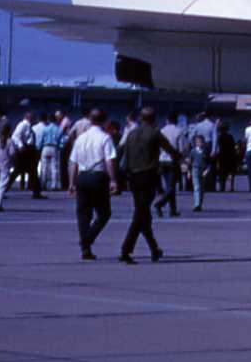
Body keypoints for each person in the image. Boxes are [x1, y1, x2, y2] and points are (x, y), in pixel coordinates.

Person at [119, 107, 182, 263]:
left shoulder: (131, 134)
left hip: (133, 177)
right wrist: (181, 158)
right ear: (153, 119)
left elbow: (124, 155)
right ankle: (125, 250)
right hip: (148, 176)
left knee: (143, 214)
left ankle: (154, 249)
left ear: (140, 118)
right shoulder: (155, 133)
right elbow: (170, 150)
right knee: (140, 214)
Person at [68, 109, 119, 259]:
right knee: (104, 213)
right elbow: (110, 160)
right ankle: (87, 240)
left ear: (90, 120)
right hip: (98, 177)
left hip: (82, 177)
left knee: (83, 214)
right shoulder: (105, 138)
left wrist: (71, 182)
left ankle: (86, 249)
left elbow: (72, 162)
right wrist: (114, 179)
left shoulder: (80, 138)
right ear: (104, 121)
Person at [188, 110, 218, 212]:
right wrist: (214, 149)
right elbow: (215, 137)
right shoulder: (212, 125)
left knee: (197, 180)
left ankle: (197, 201)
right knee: (207, 167)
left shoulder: (198, 125)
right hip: (208, 145)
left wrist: (193, 145)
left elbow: (191, 136)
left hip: (197, 145)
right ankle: (208, 186)